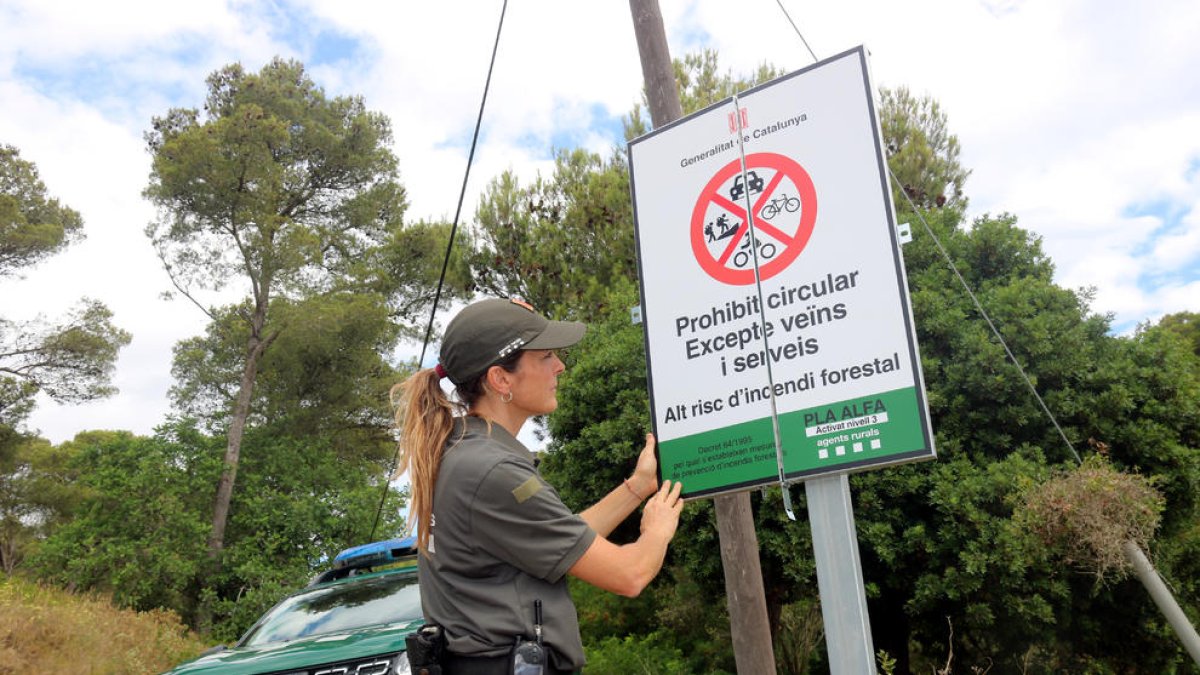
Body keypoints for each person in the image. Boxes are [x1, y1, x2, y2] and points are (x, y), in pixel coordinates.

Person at [392, 297, 684, 674]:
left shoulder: (464, 452)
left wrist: (638, 487)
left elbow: (560, 540)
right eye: (545, 356)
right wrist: (656, 530)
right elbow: (630, 575)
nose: (560, 366)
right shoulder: (491, 470)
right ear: (500, 379)